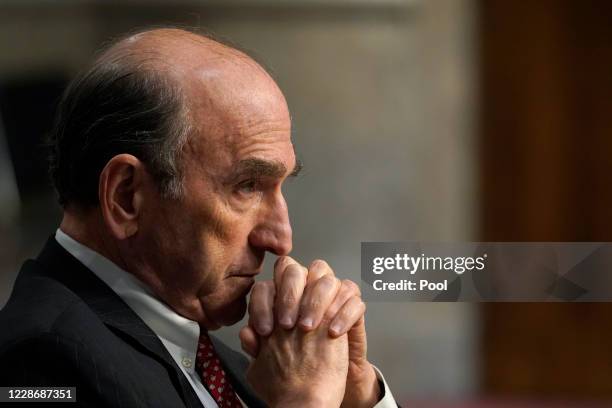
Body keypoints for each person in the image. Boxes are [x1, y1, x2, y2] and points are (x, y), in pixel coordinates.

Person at [0, 28, 397, 407]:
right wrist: (305, 403)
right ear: (126, 197)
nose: (281, 239)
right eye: (247, 186)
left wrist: (353, 393)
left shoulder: (225, 362)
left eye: (280, 187)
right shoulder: (38, 362)